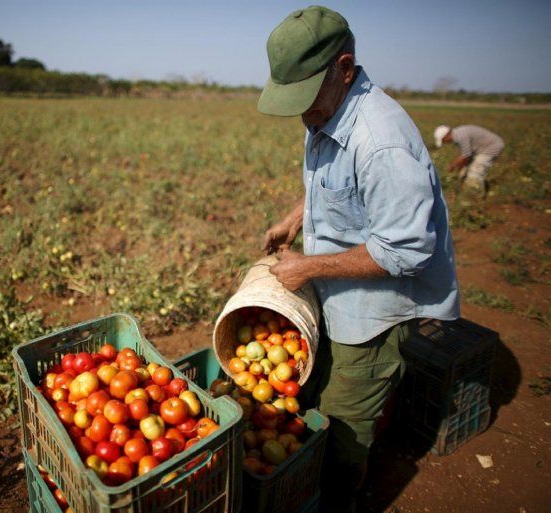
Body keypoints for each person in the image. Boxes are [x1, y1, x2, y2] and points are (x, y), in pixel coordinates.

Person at [257, 6, 460, 512]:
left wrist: (307, 266)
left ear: (344, 68)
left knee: (343, 427)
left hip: (375, 308)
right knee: (318, 388)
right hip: (338, 292)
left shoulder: (381, 142)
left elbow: (407, 250)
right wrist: (297, 215)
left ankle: (340, 496)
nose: (303, 112)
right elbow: (338, 186)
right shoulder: (329, 108)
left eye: (307, 96)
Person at [434, 124, 504, 194]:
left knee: (475, 171)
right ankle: (465, 189)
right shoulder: (457, 135)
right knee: (464, 171)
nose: (445, 142)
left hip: (491, 147)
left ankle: (474, 195)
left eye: (443, 140)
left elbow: (466, 155)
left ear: (447, 135)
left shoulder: (460, 136)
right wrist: (459, 167)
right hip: (481, 148)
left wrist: (453, 165)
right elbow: (466, 154)